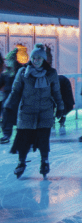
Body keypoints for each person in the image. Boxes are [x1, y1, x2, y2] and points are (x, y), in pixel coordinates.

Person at [4, 45, 63, 179]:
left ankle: (44, 162)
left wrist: (60, 107)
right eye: (34, 58)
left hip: (45, 112)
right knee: (23, 140)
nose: (36, 61)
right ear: (31, 59)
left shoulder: (51, 73)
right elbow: (15, 91)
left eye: (39, 58)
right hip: (26, 112)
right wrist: (8, 105)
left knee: (43, 140)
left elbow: (56, 92)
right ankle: (21, 162)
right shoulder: (23, 73)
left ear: (44, 59)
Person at [0, 50, 20, 144]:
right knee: (6, 118)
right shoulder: (5, 74)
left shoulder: (18, 72)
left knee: (16, 118)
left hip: (16, 100)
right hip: (7, 99)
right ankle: (6, 135)